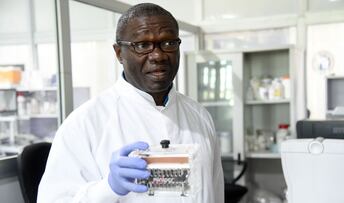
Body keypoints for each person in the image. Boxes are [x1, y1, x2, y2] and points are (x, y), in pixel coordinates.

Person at [38, 3, 224, 203]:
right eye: (142, 45)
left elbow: (215, 190)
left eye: (168, 43)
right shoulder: (85, 123)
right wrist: (108, 188)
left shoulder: (199, 116)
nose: (158, 55)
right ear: (119, 53)